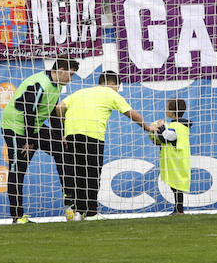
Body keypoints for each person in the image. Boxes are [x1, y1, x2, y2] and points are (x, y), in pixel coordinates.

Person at [55, 71, 158, 220]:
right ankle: (91, 213)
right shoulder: (110, 93)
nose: (117, 90)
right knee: (92, 174)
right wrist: (148, 128)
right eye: (117, 87)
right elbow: (132, 113)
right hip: (92, 136)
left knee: (78, 174)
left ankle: (78, 211)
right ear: (111, 84)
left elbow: (59, 107)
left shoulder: (81, 92)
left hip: (71, 135)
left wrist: (64, 129)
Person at [0, 58, 79, 224]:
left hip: (33, 127)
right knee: (18, 169)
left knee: (63, 150)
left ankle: (69, 199)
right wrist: (28, 140)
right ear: (61, 70)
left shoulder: (56, 86)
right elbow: (29, 111)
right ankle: (17, 216)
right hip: (15, 128)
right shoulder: (40, 83)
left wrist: (60, 135)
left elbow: (51, 112)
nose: (71, 79)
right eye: (70, 74)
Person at [148, 98, 191, 215]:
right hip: (175, 158)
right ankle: (178, 209)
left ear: (172, 111)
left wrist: (161, 128)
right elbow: (166, 138)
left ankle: (179, 210)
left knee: (176, 185)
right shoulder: (178, 124)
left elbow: (169, 137)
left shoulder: (177, 125)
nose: (165, 110)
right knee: (174, 186)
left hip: (176, 159)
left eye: (167, 108)